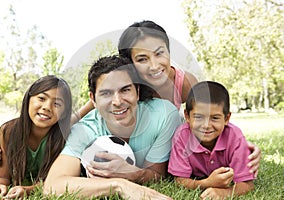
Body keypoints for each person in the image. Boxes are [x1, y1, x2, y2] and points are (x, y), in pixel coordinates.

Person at [72, 20, 261, 176]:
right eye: (142, 59)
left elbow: (210, 115)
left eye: (159, 53)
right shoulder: (124, 89)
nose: (154, 65)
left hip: (176, 144)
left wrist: (241, 147)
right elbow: (90, 108)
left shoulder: (184, 82)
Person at [43, 55, 180, 199]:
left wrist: (135, 174)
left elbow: (158, 175)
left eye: (125, 90)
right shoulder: (85, 130)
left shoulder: (164, 115)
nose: (117, 101)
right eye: (106, 93)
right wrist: (118, 185)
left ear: (137, 92)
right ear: (93, 99)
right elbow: (52, 185)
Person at [0, 75, 72, 199]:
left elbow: (59, 181)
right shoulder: (8, 131)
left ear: (64, 112)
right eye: (41, 98)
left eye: (57, 103)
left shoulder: (65, 138)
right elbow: (3, 177)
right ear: (28, 99)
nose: (47, 107)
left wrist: (29, 190)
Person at [168, 81, 256, 199]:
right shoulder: (181, 137)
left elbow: (247, 184)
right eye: (198, 117)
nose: (206, 125)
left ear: (227, 118)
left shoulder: (235, 137)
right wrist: (207, 183)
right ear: (187, 116)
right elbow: (180, 181)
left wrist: (225, 193)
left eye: (214, 118)